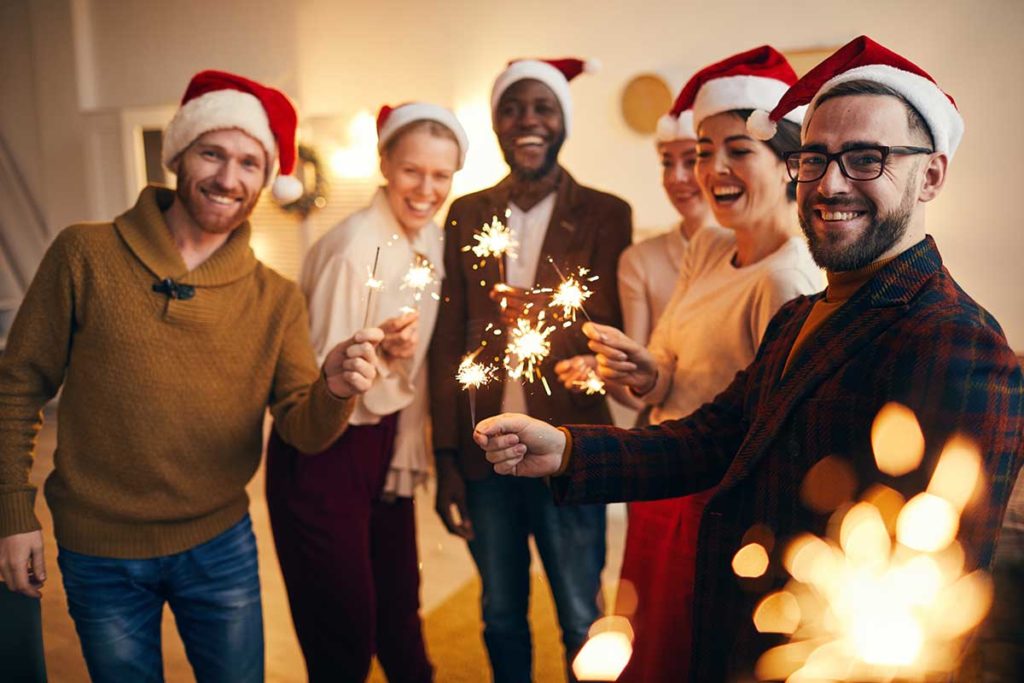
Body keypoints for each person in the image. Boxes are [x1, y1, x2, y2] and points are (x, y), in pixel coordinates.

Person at [473, 36, 1024, 681]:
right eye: (814, 159)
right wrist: (567, 449)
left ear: (931, 173)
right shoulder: (801, 316)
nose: (831, 183)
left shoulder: (955, 341)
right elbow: (714, 438)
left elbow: (935, 600)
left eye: (867, 159)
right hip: (735, 632)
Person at [0, 70, 382, 683]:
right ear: (179, 153)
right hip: (99, 548)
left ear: (266, 178)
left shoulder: (275, 298)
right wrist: (13, 513)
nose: (229, 179)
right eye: (213, 153)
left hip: (220, 545)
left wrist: (334, 388)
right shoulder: (84, 254)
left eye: (250, 163)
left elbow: (303, 430)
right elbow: (16, 385)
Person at [558, 47, 822, 683]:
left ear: (789, 163)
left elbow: (766, 430)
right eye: (705, 149)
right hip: (662, 484)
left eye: (738, 149)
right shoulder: (707, 246)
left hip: (715, 501)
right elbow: (674, 359)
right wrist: (645, 370)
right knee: (643, 642)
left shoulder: (787, 280)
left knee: (687, 653)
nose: (713, 169)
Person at [427, 57, 632, 682]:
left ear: (562, 121)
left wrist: (575, 350)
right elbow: (446, 341)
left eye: (543, 107)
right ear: (495, 124)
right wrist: (445, 458)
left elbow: (613, 326)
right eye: (513, 108)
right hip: (486, 451)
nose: (528, 121)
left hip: (571, 443)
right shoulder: (465, 213)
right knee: (499, 612)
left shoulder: (605, 212)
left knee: (579, 612)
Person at [265, 102, 468, 683]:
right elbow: (319, 388)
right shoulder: (354, 252)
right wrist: (375, 360)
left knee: (400, 601)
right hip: (324, 451)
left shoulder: (430, 238)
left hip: (387, 437)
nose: (427, 188)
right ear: (384, 163)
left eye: (441, 175)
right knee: (343, 628)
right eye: (412, 171)